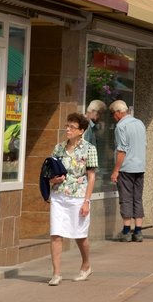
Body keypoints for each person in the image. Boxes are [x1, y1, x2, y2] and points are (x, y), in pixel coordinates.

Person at [47, 113, 97, 286]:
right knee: (56, 233)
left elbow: (91, 177)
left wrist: (87, 201)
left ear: (81, 131)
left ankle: (86, 265)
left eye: (72, 127)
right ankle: (56, 274)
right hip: (59, 196)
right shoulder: (58, 148)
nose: (67, 129)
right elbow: (50, 173)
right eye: (67, 126)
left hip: (78, 197)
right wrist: (53, 180)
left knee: (80, 235)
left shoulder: (89, 149)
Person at [110, 100, 146, 242]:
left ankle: (126, 231)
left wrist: (115, 170)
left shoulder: (121, 126)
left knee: (126, 198)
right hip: (140, 167)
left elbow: (121, 149)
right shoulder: (140, 123)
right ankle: (138, 231)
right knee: (137, 198)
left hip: (126, 168)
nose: (113, 117)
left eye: (113, 114)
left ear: (119, 112)